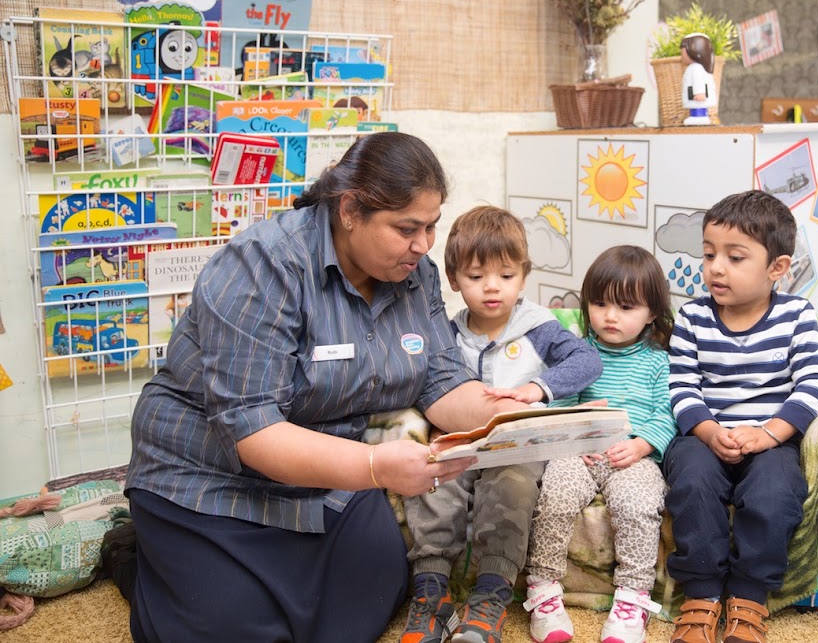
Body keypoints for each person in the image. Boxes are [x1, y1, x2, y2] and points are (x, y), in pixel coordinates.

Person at [124, 132, 533, 643]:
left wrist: (508, 417)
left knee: (378, 592)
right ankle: (140, 556)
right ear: (349, 211)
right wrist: (375, 467)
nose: (424, 245)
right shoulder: (262, 266)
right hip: (211, 477)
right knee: (232, 628)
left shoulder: (416, 275)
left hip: (327, 472)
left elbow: (440, 379)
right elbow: (253, 432)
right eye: (407, 228)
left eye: (431, 226)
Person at [401, 205, 602, 643]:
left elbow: (588, 361)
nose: (492, 288)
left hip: (519, 447)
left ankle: (490, 595)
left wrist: (539, 388)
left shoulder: (539, 328)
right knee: (433, 484)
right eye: (476, 278)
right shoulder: (448, 334)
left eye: (506, 276)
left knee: (511, 487)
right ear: (453, 280)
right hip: (463, 444)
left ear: (523, 277)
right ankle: (431, 592)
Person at [665, 191, 818, 643]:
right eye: (709, 254)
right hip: (706, 436)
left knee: (776, 492)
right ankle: (700, 595)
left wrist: (769, 434)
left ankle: (748, 598)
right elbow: (681, 386)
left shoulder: (796, 316)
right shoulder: (693, 317)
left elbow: (816, 384)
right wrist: (708, 430)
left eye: (735, 257)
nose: (716, 267)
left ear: (777, 268)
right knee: (692, 482)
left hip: (770, 440)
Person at [524, 245, 677, 643]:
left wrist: (643, 445)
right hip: (580, 452)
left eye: (626, 307)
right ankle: (542, 587)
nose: (610, 316)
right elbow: (563, 402)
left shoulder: (660, 361)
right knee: (554, 492)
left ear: (652, 314)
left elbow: (668, 413)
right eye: (600, 303)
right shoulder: (578, 352)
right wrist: (577, 435)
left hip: (632, 457)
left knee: (640, 504)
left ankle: (632, 597)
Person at [680, 32, 717, 127]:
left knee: (697, 109)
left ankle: (699, 117)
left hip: (698, 99)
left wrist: (699, 93)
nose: (681, 55)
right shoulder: (697, 68)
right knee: (696, 108)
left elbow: (698, 82)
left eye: (682, 52)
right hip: (695, 100)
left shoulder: (696, 68)